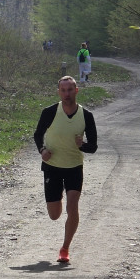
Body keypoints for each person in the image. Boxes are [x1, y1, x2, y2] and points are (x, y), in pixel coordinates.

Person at [33, 75, 98, 264]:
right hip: (52, 166)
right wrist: (42, 150)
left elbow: (93, 147)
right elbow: (38, 134)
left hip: (74, 167)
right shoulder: (50, 112)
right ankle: (57, 197)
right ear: (59, 92)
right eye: (63, 90)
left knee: (73, 206)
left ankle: (65, 248)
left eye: (70, 90)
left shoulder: (86, 116)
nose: (67, 93)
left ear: (76, 91)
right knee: (54, 215)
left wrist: (82, 145)